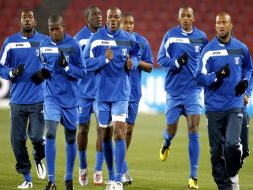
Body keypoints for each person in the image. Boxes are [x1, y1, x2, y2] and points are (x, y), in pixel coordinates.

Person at [83, 7, 140, 190]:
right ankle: (110, 176)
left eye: (116, 17)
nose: (113, 20)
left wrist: (134, 63)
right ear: (106, 19)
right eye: (110, 17)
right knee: (106, 136)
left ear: (121, 19)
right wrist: (103, 59)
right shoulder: (96, 38)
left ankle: (117, 179)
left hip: (122, 94)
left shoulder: (129, 39)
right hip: (101, 95)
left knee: (119, 133)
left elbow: (138, 54)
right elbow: (85, 63)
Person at [196, 12, 252, 190]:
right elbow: (199, 78)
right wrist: (217, 76)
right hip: (213, 107)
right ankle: (223, 186)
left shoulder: (241, 48)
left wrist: (246, 87)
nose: (221, 25)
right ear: (215, 26)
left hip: (235, 104)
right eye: (218, 22)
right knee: (215, 152)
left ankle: (233, 173)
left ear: (231, 25)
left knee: (232, 145)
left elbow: (249, 69)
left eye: (224, 22)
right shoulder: (208, 51)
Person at [157, 5, 208, 189]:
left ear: (193, 18)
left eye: (189, 15)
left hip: (193, 92)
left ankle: (193, 176)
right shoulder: (170, 36)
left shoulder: (201, 37)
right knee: (171, 129)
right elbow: (160, 59)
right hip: (174, 91)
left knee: (194, 130)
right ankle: (166, 142)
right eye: (182, 16)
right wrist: (177, 62)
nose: (185, 18)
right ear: (178, 18)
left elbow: (207, 61)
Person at [37, 15, 87, 190]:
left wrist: (66, 66)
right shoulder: (43, 45)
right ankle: (51, 181)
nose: (54, 32)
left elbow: (83, 72)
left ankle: (68, 178)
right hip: (51, 98)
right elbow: (43, 67)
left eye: (57, 28)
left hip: (71, 100)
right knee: (50, 133)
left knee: (71, 138)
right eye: (51, 29)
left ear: (63, 27)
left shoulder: (73, 45)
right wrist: (43, 73)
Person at [0, 10, 47, 189]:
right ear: (20, 21)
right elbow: (0, 67)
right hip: (18, 100)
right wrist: (12, 73)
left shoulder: (43, 41)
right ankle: (27, 178)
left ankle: (38, 156)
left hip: (38, 100)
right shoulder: (10, 42)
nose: (27, 20)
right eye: (24, 18)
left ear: (35, 21)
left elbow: (52, 64)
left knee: (35, 137)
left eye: (30, 17)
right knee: (17, 140)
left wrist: (43, 74)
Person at [120, 13, 153, 185]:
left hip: (133, 94)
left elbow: (150, 67)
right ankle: (122, 169)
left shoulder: (142, 42)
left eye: (131, 23)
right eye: (125, 22)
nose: (128, 25)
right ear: (120, 24)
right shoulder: (114, 42)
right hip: (117, 94)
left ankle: (120, 162)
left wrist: (137, 62)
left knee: (129, 130)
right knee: (121, 129)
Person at [74, 5, 104, 186]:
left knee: (102, 130)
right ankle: (83, 166)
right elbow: (81, 65)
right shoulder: (79, 39)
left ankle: (99, 170)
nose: (99, 17)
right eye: (95, 15)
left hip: (101, 92)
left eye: (100, 14)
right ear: (87, 18)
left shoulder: (106, 37)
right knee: (83, 129)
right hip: (84, 93)